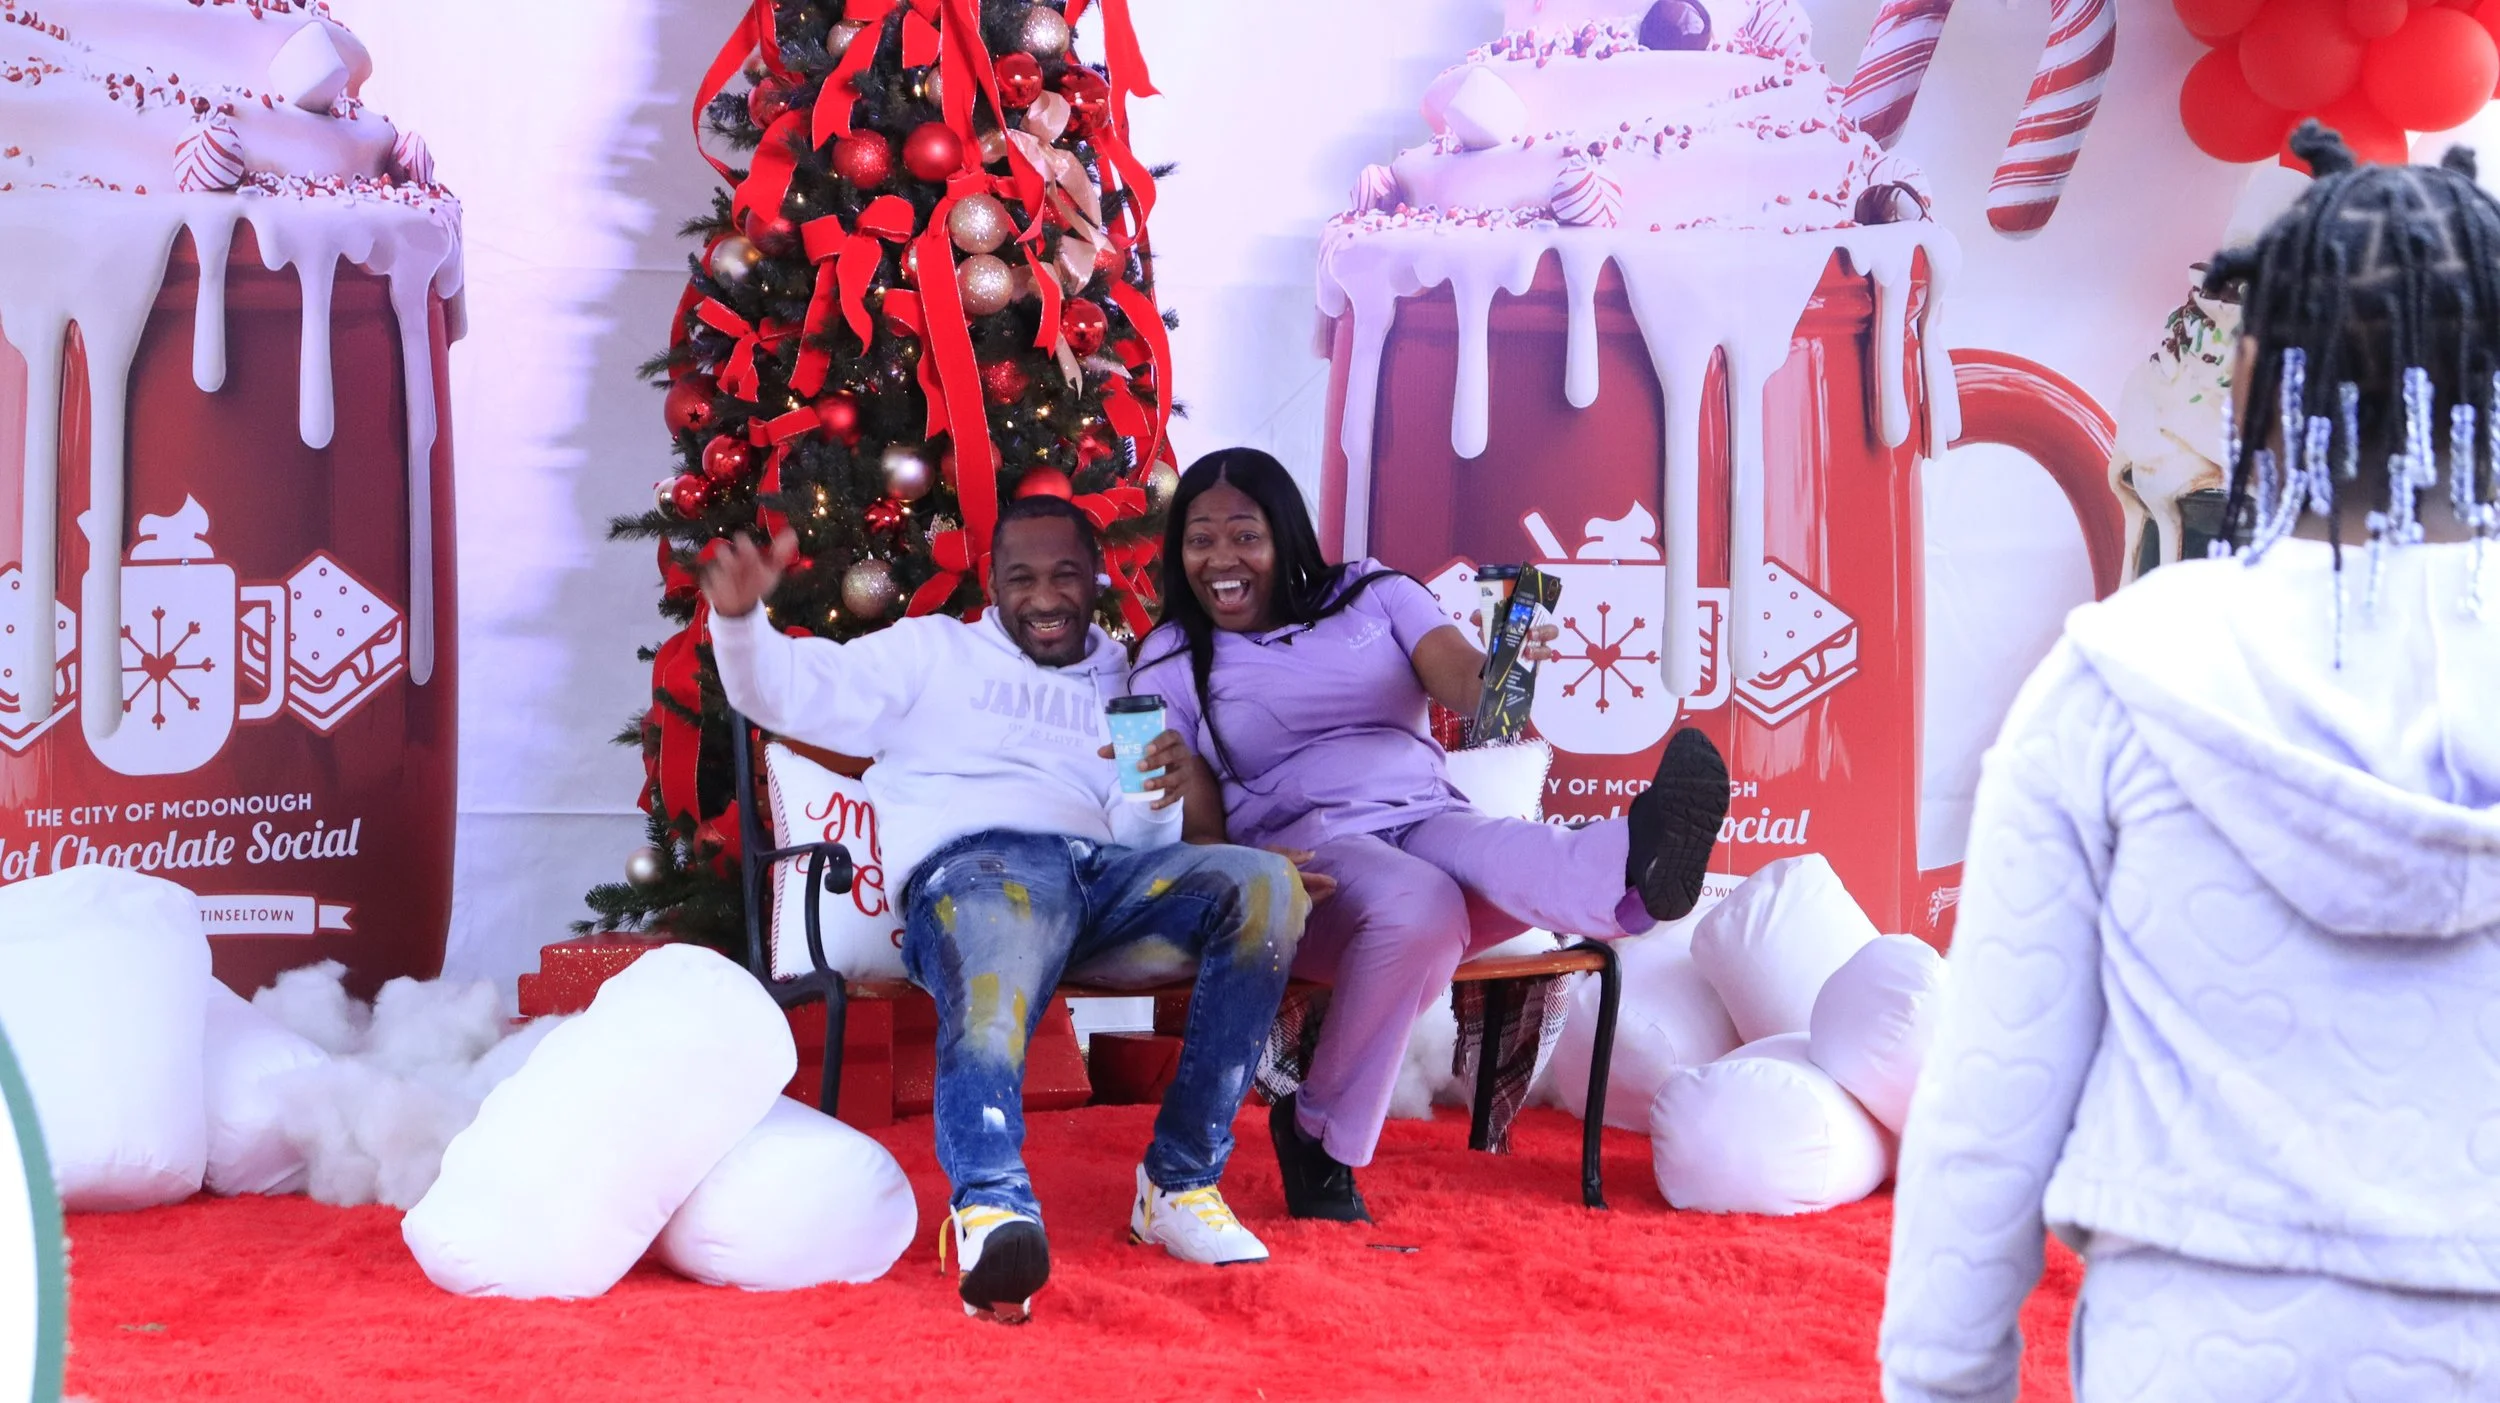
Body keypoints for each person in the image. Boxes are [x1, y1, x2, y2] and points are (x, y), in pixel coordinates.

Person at [1881, 124, 2500, 1401]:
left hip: (2195, 1344)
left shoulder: (2117, 675)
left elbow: (1986, 1108)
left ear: (2256, 374)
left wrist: (1943, 1384)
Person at [702, 494, 1309, 1325]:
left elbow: (1137, 840)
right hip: (980, 869)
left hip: (1103, 885)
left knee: (1265, 883)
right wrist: (740, 622)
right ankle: (993, 1208)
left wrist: (1156, 794)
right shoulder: (930, 652)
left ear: (1098, 578)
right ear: (990, 583)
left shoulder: (1125, 677)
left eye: (1066, 574)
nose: (1046, 597)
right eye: (1022, 577)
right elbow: (795, 693)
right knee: (996, 929)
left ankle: (1178, 1181)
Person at [1127, 447, 1732, 1222]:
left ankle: (1638, 869)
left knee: (1507, 854)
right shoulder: (1173, 657)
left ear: (1285, 533)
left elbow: (1467, 685)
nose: (1220, 558)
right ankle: (1319, 1127)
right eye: (1198, 539)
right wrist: (1244, 870)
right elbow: (1187, 816)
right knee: (1423, 905)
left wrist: (1511, 660)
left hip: (1427, 813)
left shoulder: (1372, 593)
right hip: (1309, 858)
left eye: (1243, 534)